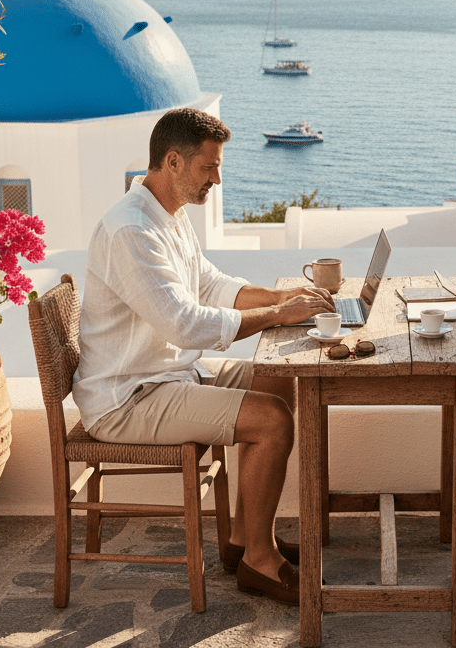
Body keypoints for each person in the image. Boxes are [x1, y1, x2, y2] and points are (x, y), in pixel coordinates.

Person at [72, 107, 336, 607]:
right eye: (209, 167)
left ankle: (245, 540)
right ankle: (260, 562)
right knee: (272, 419)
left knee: (277, 377)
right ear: (173, 162)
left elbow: (210, 285)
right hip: (128, 398)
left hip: (168, 376)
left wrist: (282, 299)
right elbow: (183, 322)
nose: (217, 178)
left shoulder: (166, 215)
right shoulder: (132, 230)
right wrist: (279, 317)